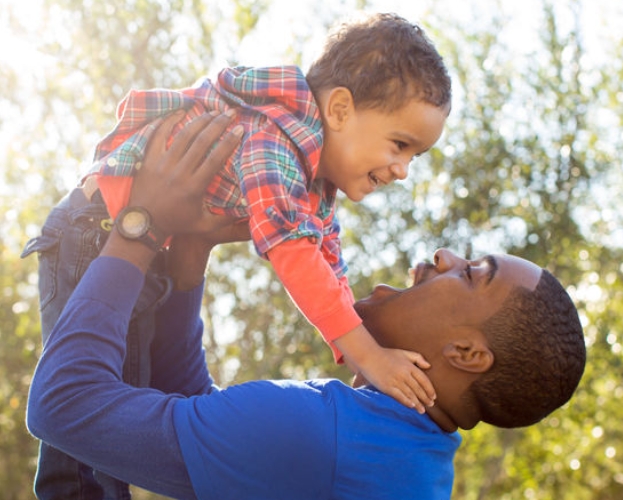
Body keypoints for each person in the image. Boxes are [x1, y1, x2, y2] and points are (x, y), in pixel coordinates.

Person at [27, 106, 586, 499]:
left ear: (466, 352)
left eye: (471, 275)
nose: (444, 256)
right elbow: (199, 413)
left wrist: (140, 226)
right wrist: (191, 244)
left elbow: (63, 407)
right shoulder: (390, 453)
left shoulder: (328, 440)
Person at [21, 12, 451, 497]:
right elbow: (293, 254)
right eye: (400, 145)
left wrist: (355, 344)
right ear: (340, 110)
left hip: (146, 245)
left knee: (121, 399)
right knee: (88, 428)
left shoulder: (315, 183)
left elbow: (328, 261)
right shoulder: (276, 141)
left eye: (416, 156)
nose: (403, 170)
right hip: (94, 229)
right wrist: (367, 354)